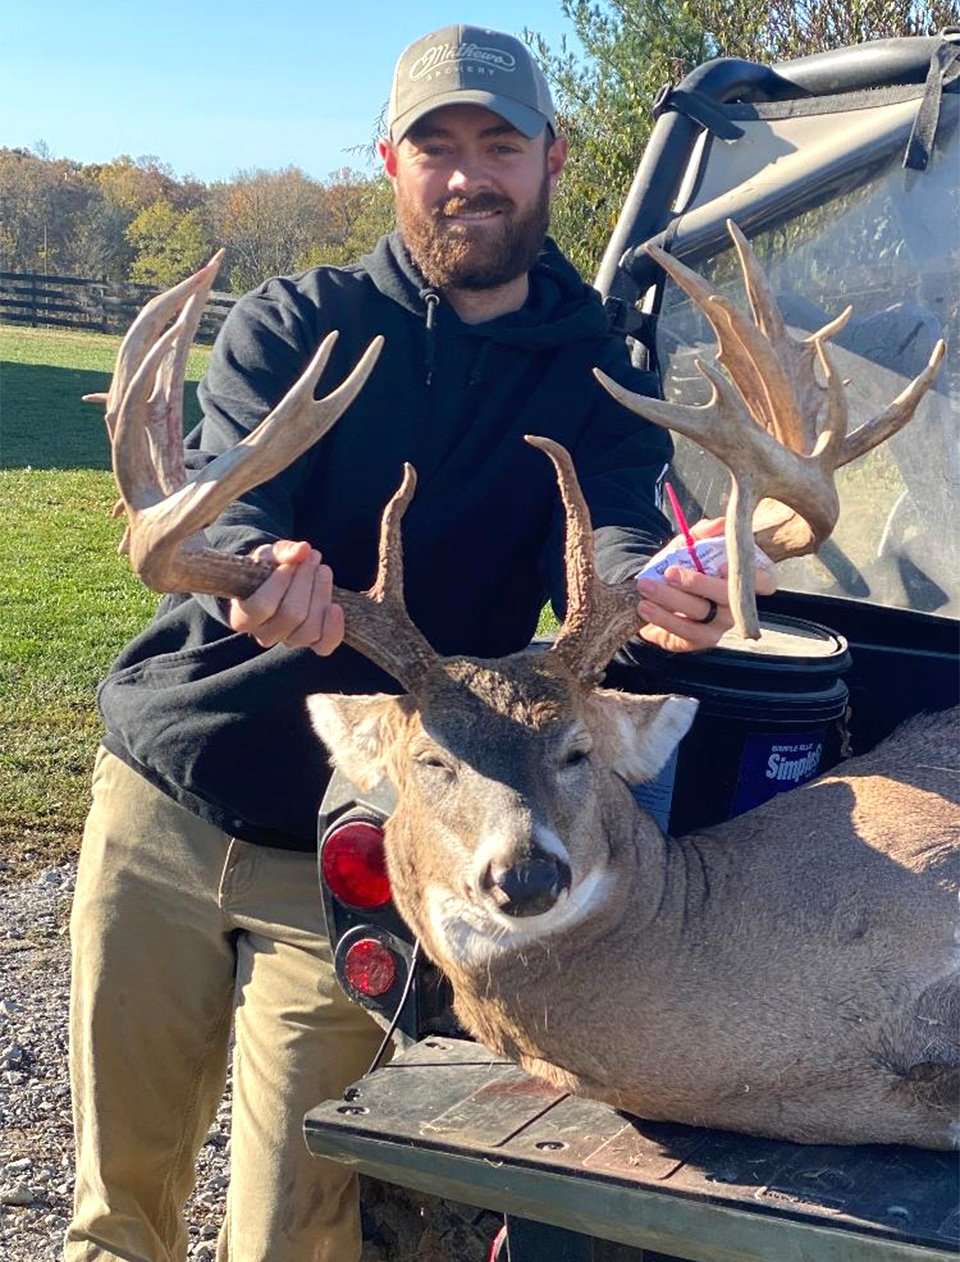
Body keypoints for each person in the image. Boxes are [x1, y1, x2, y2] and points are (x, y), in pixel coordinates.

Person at [66, 24, 771, 1262]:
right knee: (115, 1211)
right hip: (165, 802)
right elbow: (229, 489)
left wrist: (652, 592)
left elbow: (616, 531)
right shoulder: (300, 320)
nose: (468, 174)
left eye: (499, 143)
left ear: (551, 157)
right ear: (389, 160)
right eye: (436, 145)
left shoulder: (594, 363)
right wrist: (255, 563)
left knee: (295, 1226)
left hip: (375, 840)